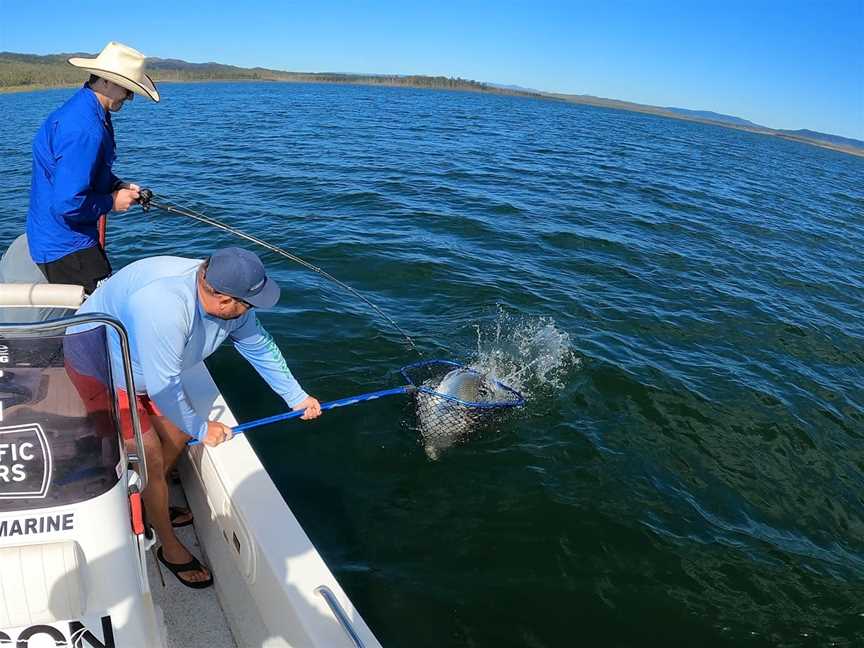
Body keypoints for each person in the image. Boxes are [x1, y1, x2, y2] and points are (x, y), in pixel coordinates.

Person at [72, 247, 322, 588]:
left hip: (148, 369)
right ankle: (167, 543)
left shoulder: (232, 302)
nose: (251, 310)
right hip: (101, 368)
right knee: (150, 458)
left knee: (176, 438)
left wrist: (296, 396)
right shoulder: (165, 306)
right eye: (248, 303)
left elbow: (258, 344)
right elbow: (164, 386)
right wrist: (202, 428)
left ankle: (152, 497)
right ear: (220, 297)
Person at [26, 41, 160, 294]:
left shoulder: (85, 109)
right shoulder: (86, 129)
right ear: (105, 81)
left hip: (53, 236)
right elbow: (67, 204)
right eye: (127, 88)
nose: (130, 97)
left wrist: (115, 184)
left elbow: (83, 170)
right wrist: (112, 202)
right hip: (67, 246)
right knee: (101, 320)